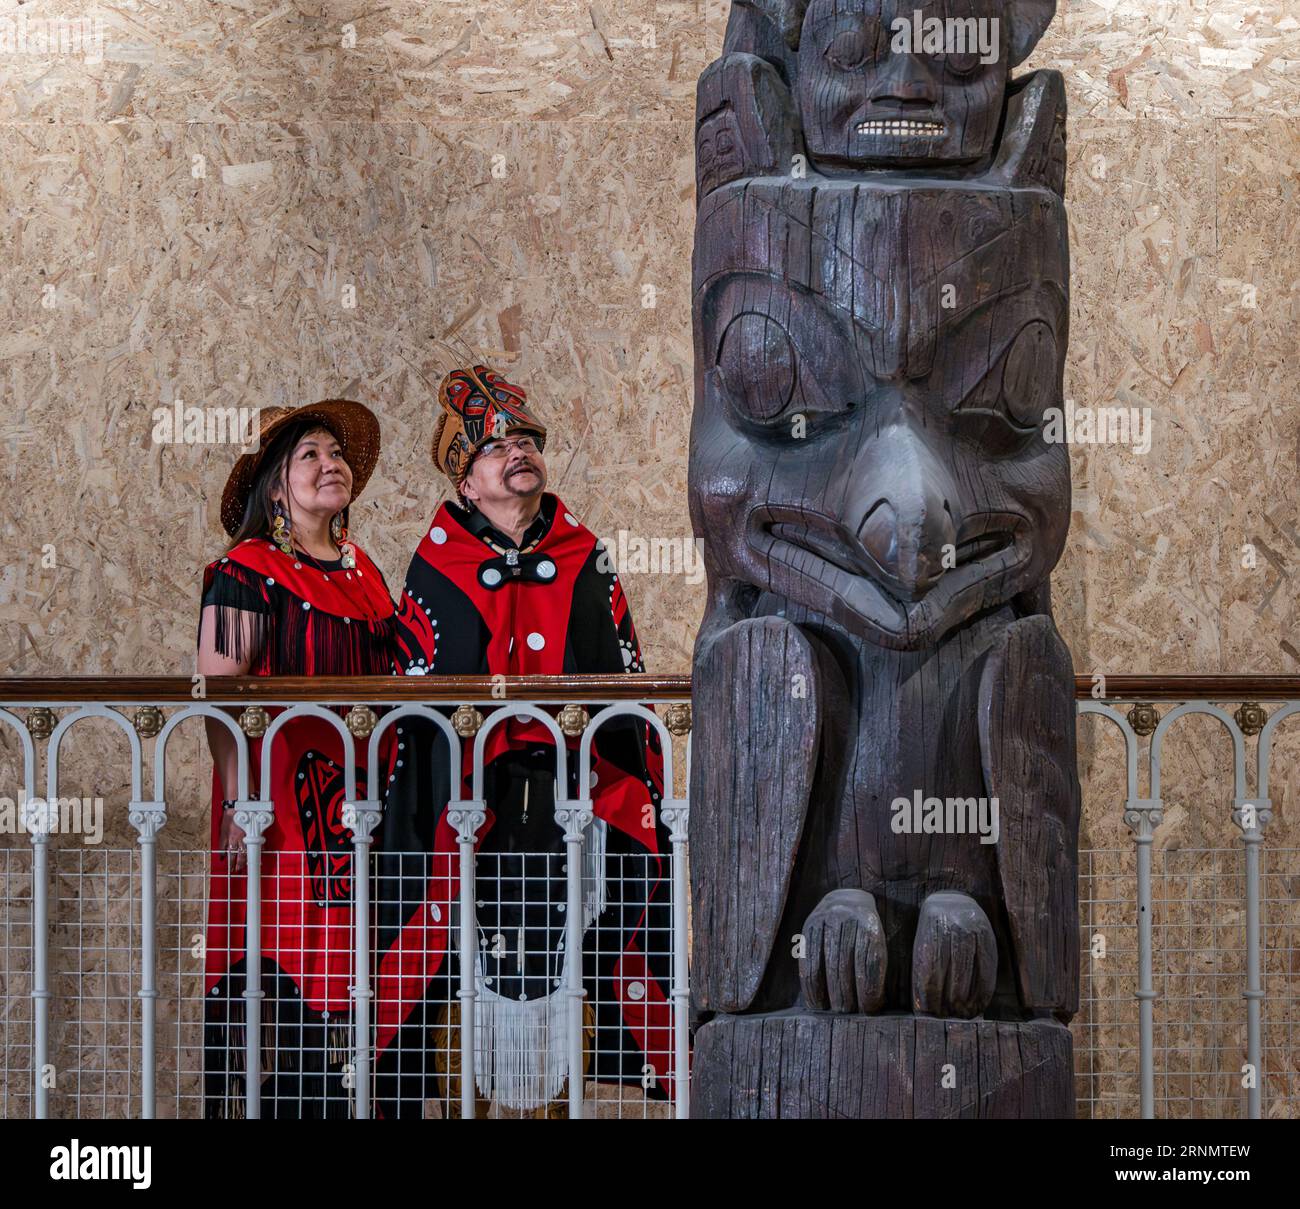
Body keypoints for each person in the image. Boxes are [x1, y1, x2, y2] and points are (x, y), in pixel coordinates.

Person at [376, 364, 676, 1118]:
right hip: (467, 808)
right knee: (456, 971)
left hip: (574, 801)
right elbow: (414, 707)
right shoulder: (436, 563)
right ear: (466, 483)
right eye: (496, 445)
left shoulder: (583, 552)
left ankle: (556, 1105)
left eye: (527, 440)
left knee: (570, 960)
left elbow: (624, 677)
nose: (519, 451)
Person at [197, 400, 401, 1118]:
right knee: (294, 983)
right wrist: (235, 799)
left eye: (336, 454)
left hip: (371, 810)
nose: (329, 463)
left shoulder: (367, 573)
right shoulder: (245, 570)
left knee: (373, 984)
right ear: (276, 489)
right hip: (283, 815)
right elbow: (218, 699)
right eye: (309, 455)